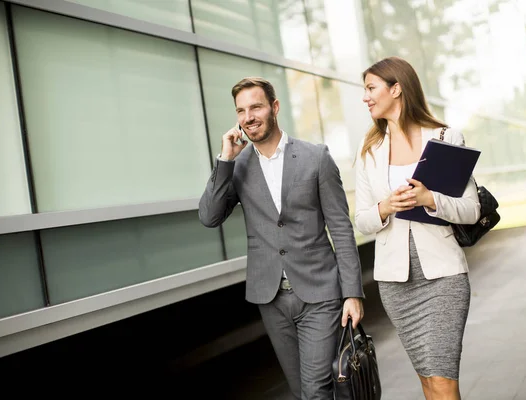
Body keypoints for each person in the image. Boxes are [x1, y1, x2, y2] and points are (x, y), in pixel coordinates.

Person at [198, 77, 365, 399]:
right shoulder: (238, 165)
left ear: (274, 107)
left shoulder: (315, 157)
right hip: (270, 297)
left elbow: (341, 228)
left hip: (320, 293)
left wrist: (353, 293)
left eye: (256, 106)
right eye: (241, 110)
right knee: (302, 390)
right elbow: (209, 216)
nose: (249, 117)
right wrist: (225, 160)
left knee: (317, 389)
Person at [354, 57, 481, 400]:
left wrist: (430, 199)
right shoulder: (370, 151)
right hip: (396, 283)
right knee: (427, 379)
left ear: (396, 88)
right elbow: (362, 219)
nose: (365, 97)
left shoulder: (445, 137)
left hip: (444, 277)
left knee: (442, 380)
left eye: (371, 88)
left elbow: (471, 210)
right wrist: (385, 208)